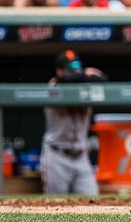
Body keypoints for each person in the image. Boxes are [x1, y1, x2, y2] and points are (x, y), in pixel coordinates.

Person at [40, 49, 107, 195]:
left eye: (76, 68)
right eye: (69, 69)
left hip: (81, 157)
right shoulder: (54, 85)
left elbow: (102, 80)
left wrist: (82, 75)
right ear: (59, 71)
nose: (75, 72)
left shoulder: (85, 86)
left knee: (92, 202)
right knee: (55, 207)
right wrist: (85, 74)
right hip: (57, 155)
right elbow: (66, 81)